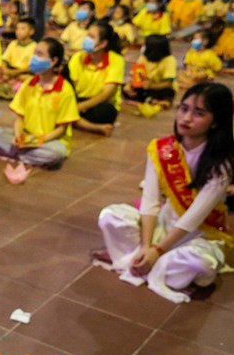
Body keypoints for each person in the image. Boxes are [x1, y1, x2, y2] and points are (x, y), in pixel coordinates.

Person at [95, 83, 233, 304]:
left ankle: (135, 260)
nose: (186, 118)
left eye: (199, 113)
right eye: (184, 108)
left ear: (215, 121)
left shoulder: (221, 165)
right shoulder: (162, 149)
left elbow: (193, 218)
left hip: (200, 233)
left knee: (200, 264)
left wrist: (157, 251)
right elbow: (150, 201)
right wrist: (146, 245)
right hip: (163, 224)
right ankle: (146, 260)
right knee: (110, 216)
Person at [0, 37, 80, 168]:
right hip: (26, 136)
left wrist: (36, 141)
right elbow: (20, 118)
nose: (34, 57)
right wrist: (19, 137)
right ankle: (26, 155)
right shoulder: (29, 83)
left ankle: (17, 154)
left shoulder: (65, 90)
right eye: (35, 53)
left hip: (49, 140)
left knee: (57, 153)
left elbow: (61, 129)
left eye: (39, 54)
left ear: (53, 61)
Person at [68, 22, 125, 136]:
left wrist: (78, 108)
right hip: (79, 100)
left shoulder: (116, 60)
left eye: (92, 37)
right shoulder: (78, 57)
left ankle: (71, 120)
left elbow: (106, 94)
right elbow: (70, 86)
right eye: (87, 36)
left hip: (100, 103)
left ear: (103, 43)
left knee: (106, 112)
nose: (87, 40)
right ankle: (93, 127)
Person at [123, 34, 177, 107]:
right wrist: (130, 86)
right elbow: (136, 76)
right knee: (123, 88)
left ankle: (148, 100)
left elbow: (168, 83)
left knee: (168, 92)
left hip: (159, 88)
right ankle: (152, 101)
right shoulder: (144, 57)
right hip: (144, 87)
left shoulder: (169, 60)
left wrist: (152, 86)